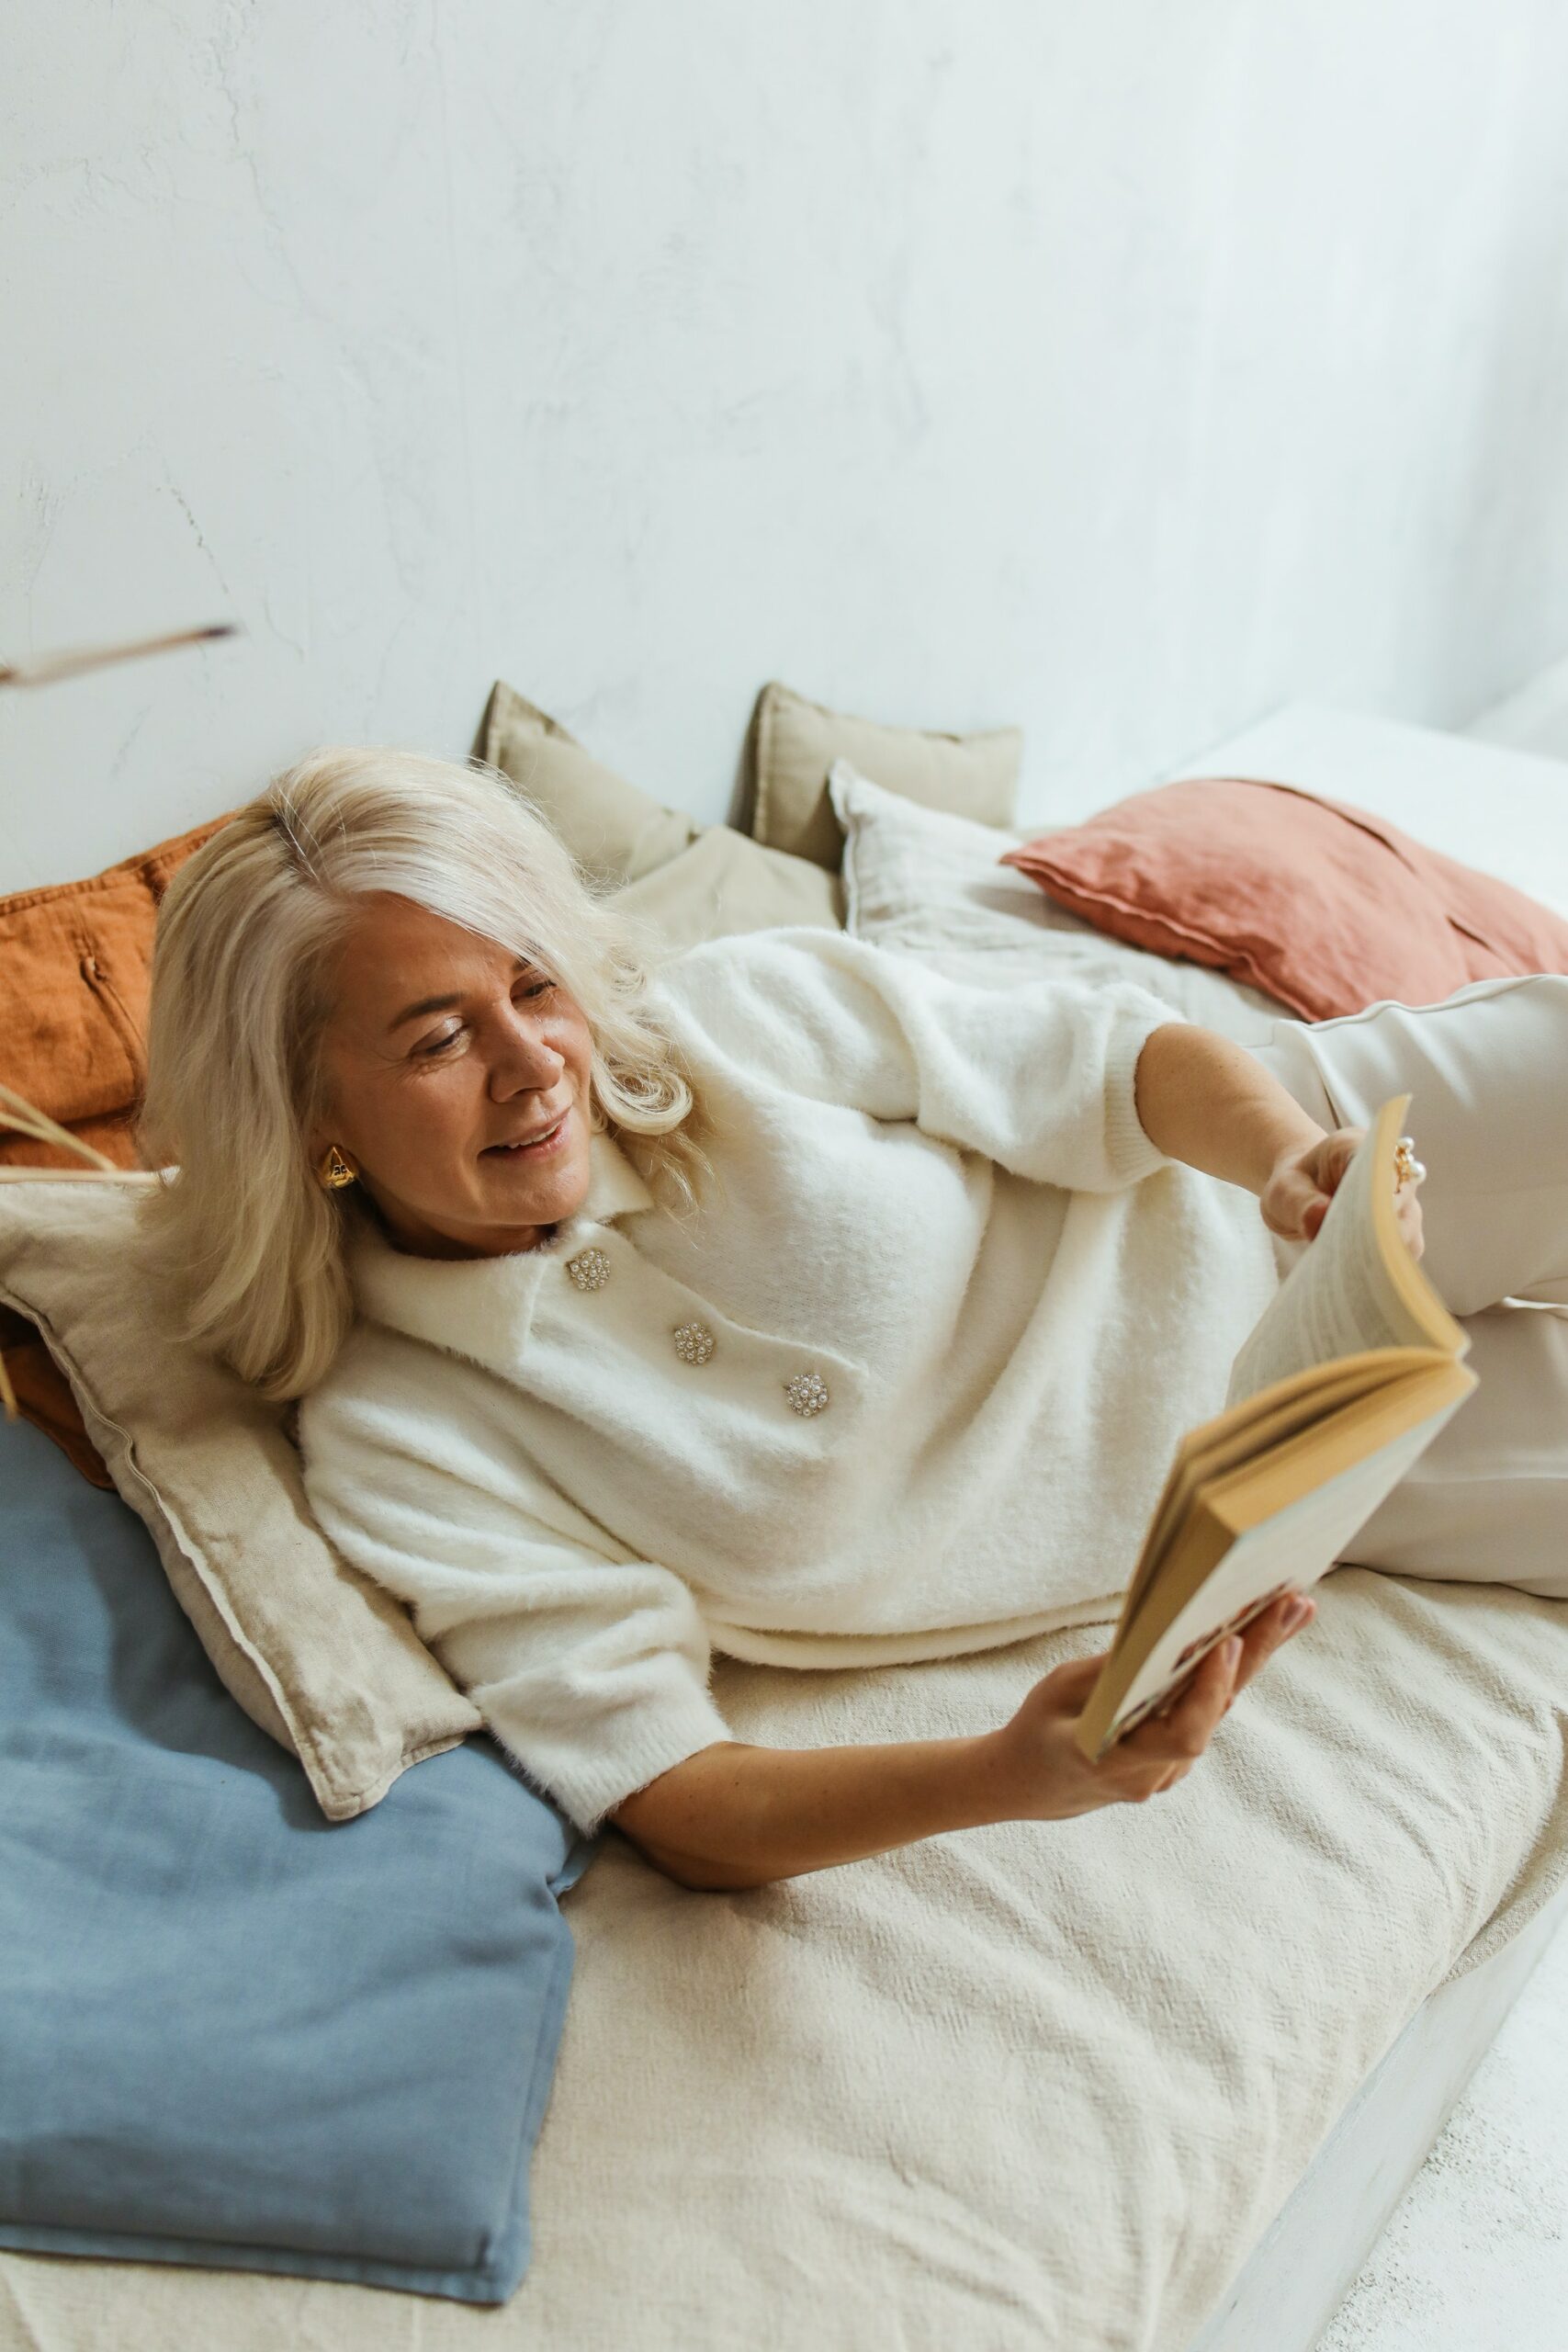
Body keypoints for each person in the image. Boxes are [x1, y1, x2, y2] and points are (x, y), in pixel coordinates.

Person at [138, 750, 1565, 1892]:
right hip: (1303, 1459)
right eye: (439, 1040)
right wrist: (1017, 1774)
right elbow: (672, 1790)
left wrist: (1286, 1161)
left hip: (1293, 1171)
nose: (534, 1069)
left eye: (534, 987)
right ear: (306, 1116)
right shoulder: (405, 1440)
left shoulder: (732, 1018)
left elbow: (1108, 1059)